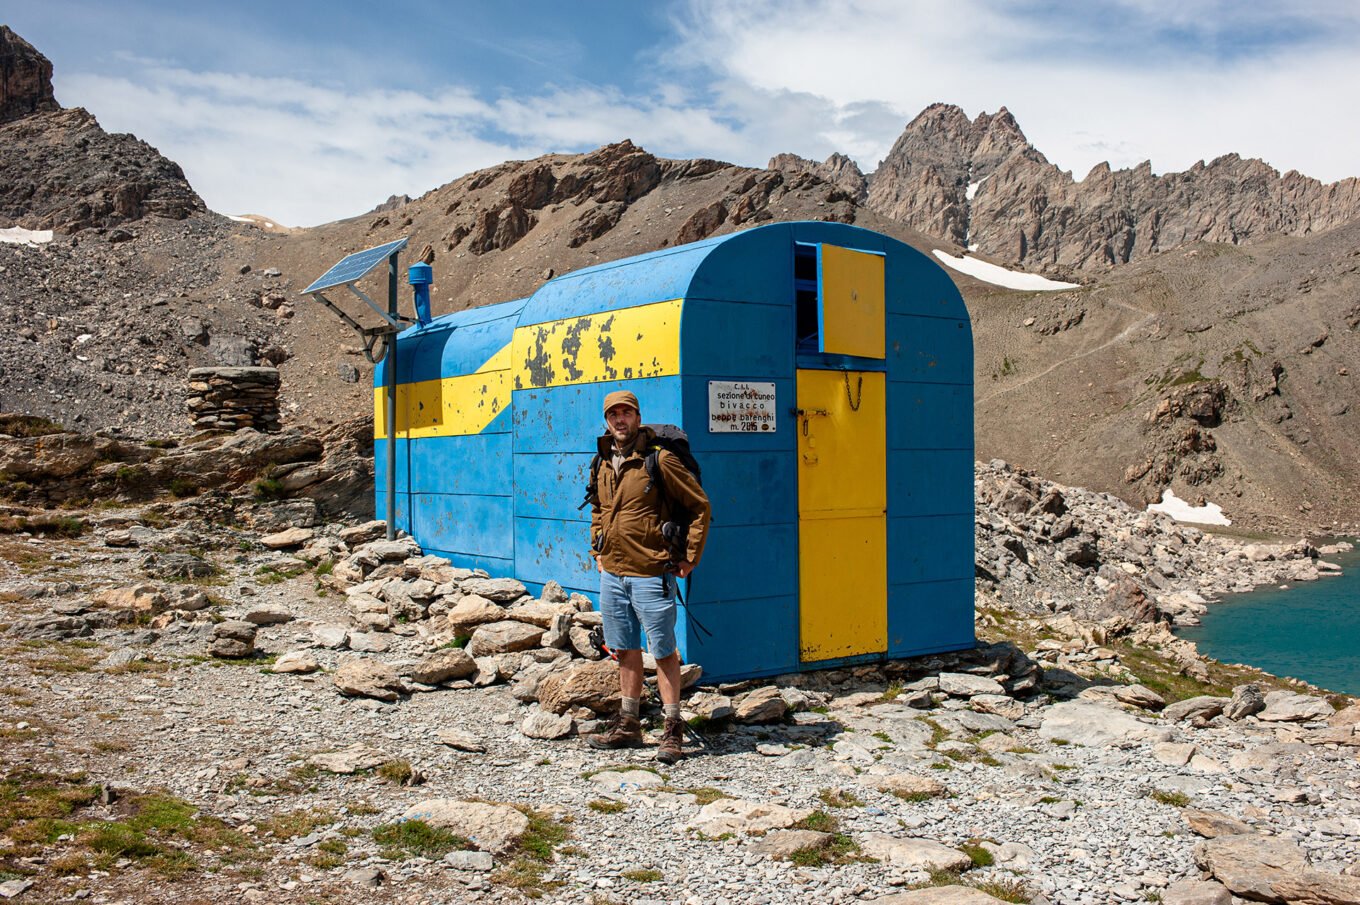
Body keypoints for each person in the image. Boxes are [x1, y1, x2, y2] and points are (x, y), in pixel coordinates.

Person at [585, 390, 711, 763]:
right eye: (613, 415)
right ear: (607, 420)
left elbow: (699, 506)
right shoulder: (603, 461)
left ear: (638, 417)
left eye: (626, 413)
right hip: (613, 572)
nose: (620, 420)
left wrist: (689, 557)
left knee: (663, 652)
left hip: (651, 571)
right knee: (624, 649)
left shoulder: (660, 460)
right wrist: (598, 551)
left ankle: (672, 729)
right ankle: (629, 723)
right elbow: (597, 506)